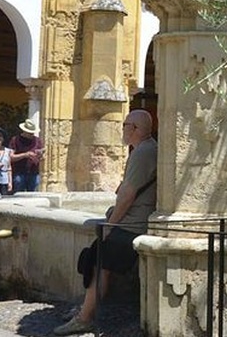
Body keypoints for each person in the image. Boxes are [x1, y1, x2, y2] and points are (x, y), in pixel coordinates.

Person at [54, 110, 158, 336]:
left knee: (101, 261)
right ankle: (84, 308)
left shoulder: (143, 153)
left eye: (125, 125)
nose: (122, 129)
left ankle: (85, 318)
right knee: (94, 257)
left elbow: (127, 195)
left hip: (132, 225)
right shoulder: (142, 150)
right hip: (131, 222)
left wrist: (110, 225)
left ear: (135, 129)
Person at [8, 118, 43, 192]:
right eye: (30, 133)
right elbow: (11, 157)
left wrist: (39, 155)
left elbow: (41, 157)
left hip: (34, 172)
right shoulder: (15, 140)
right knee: (19, 193)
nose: (32, 135)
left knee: (33, 195)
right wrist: (25, 155)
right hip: (19, 172)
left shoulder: (37, 141)